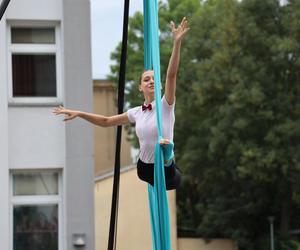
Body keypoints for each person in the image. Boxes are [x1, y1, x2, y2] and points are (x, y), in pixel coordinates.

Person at [53, 17, 189, 190]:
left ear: (160, 85)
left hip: (164, 169)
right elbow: (106, 121)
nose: (151, 81)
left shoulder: (166, 105)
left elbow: (171, 75)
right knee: (152, 169)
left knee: (175, 178)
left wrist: (177, 44)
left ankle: (168, 156)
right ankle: (166, 158)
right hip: (145, 168)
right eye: (146, 79)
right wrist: (79, 113)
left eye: (155, 79)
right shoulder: (136, 112)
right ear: (140, 87)